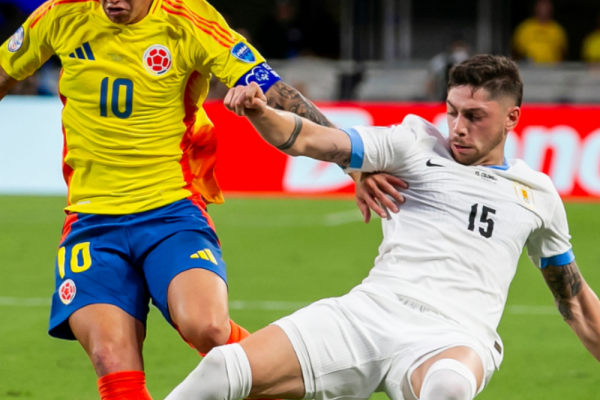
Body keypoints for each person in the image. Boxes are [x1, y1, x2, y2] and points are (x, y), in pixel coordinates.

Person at [0, 0, 402, 398]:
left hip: (170, 211)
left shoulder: (188, 20)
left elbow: (274, 89)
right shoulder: (59, 14)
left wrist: (352, 161)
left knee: (206, 327)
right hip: (92, 220)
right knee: (109, 356)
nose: (112, 2)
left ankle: (289, 378)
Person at [166, 55, 600, 400]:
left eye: (475, 116)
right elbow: (310, 139)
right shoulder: (415, 143)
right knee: (224, 369)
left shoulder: (537, 193)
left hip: (455, 335)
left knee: (447, 389)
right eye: (452, 112)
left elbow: (574, 301)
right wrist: (261, 112)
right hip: (371, 312)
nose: (458, 128)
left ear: (511, 118)